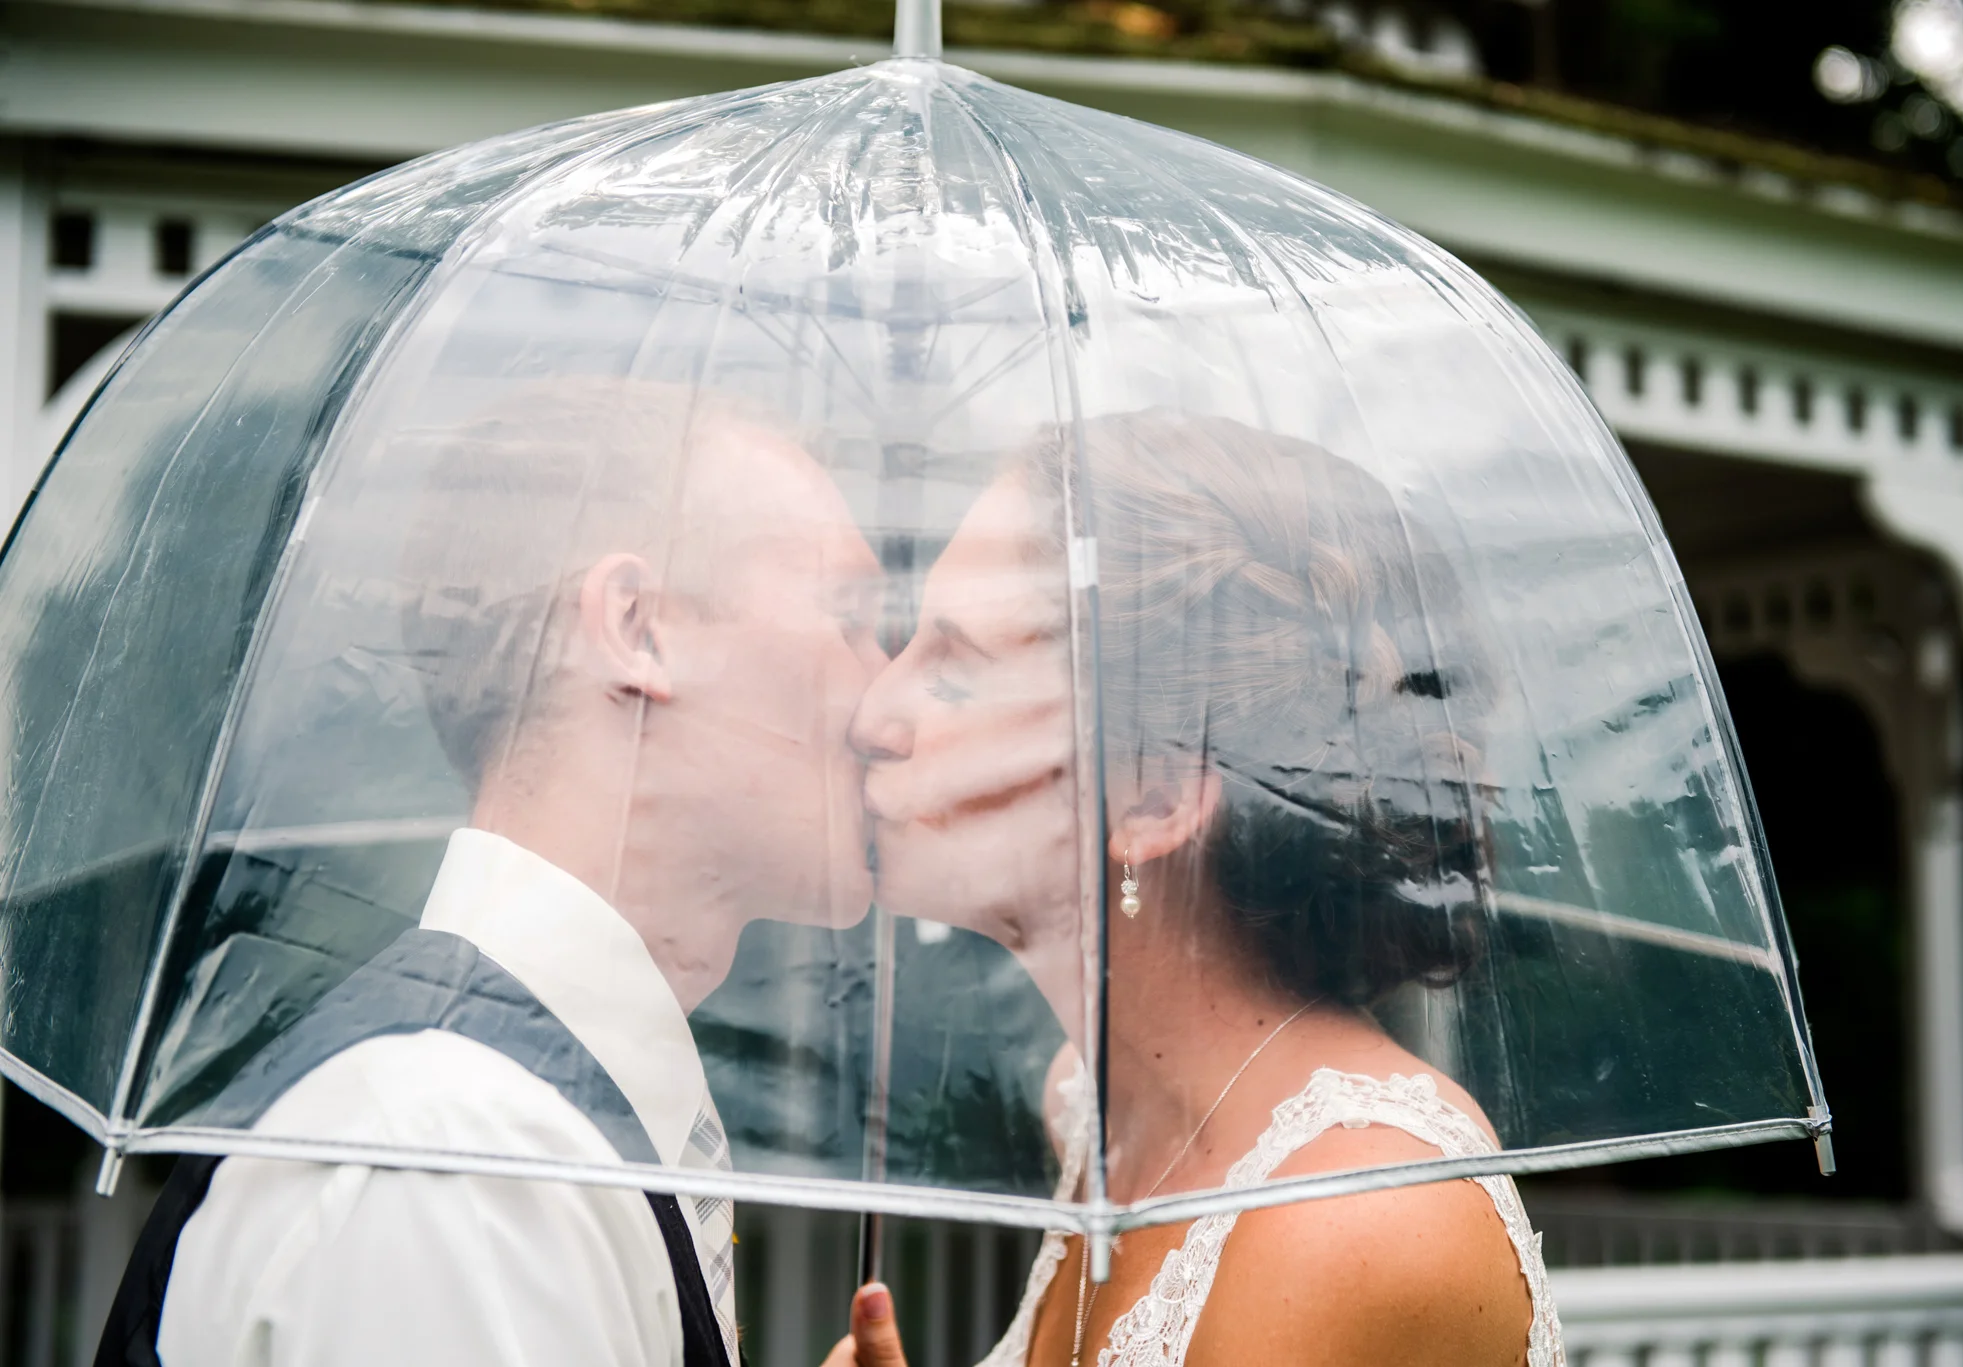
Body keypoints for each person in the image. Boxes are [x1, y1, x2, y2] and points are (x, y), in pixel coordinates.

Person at [96, 378, 886, 1367]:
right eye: (848, 613)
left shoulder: (518, 1124)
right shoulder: (457, 1161)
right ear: (638, 627)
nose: (884, 689)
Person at [849, 410, 1563, 1366]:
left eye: (954, 670)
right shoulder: (1103, 1107)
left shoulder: (1354, 1221)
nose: (871, 714)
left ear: (1151, 792)